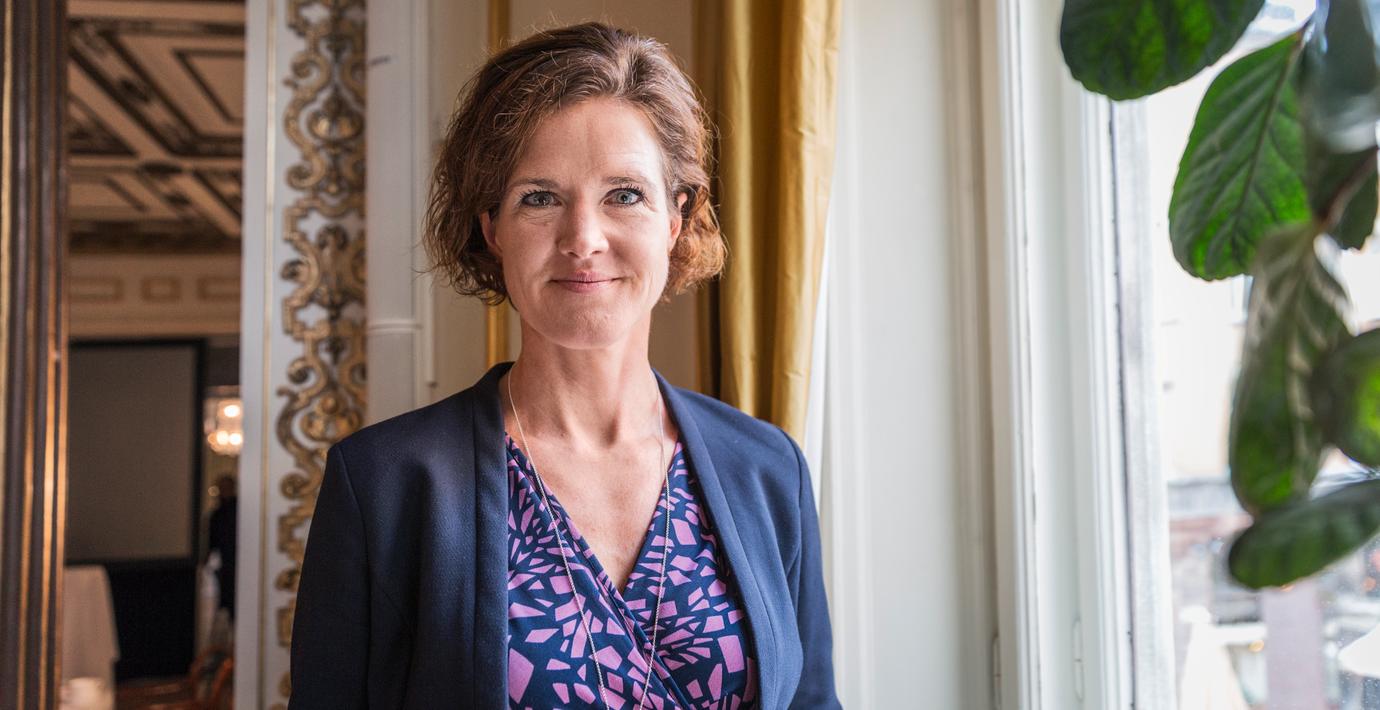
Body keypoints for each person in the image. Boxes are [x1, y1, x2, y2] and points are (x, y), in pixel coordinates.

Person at [290, 22, 839, 709]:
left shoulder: (768, 468)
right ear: (492, 228)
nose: (583, 238)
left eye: (625, 194)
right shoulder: (383, 485)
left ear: (675, 220)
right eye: (540, 197)